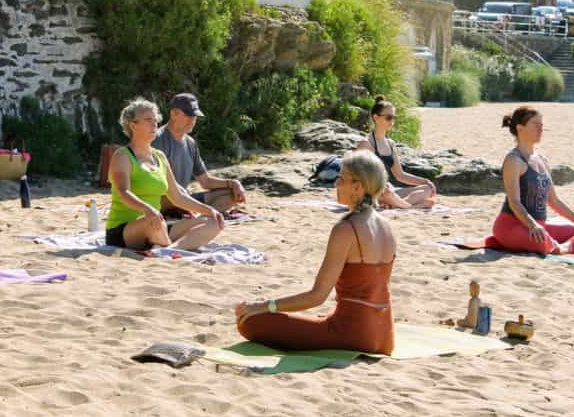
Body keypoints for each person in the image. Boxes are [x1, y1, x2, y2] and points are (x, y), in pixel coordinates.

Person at [235, 150, 396, 355]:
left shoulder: (346, 229)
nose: (336, 184)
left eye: (341, 178)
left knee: (250, 321)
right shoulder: (387, 227)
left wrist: (265, 306)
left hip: (354, 334)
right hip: (385, 336)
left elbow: (317, 297)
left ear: (357, 186)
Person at [107, 98, 225, 250]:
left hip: (157, 223)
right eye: (148, 120)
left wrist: (209, 210)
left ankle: (169, 251)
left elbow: (178, 197)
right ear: (133, 125)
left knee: (213, 221)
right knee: (153, 222)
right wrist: (147, 209)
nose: (154, 124)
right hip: (124, 231)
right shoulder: (122, 156)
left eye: (155, 120)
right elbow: (124, 192)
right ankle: (169, 248)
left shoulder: (160, 157)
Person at [489, 106, 574, 255]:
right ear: (520, 128)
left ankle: (561, 249)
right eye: (536, 125)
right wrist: (533, 225)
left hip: (539, 227)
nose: (541, 129)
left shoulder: (542, 160)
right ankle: (555, 247)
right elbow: (514, 202)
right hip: (511, 226)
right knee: (544, 243)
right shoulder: (514, 160)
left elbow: (554, 201)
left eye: (542, 125)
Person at [152, 93, 246, 215]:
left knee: (230, 194)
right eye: (188, 115)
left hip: (185, 199)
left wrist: (233, 183)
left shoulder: (191, 143)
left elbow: (205, 181)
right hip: (164, 201)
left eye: (195, 116)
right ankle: (199, 215)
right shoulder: (157, 139)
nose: (192, 120)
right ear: (173, 114)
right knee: (177, 196)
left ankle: (201, 216)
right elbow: (155, 183)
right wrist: (182, 196)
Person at [356, 96, 436, 209]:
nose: (392, 121)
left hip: (388, 191)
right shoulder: (366, 144)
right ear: (376, 117)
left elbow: (400, 175)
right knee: (387, 192)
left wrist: (425, 181)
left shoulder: (390, 143)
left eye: (393, 117)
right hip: (370, 193)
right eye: (388, 117)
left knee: (427, 189)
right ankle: (411, 207)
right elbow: (359, 177)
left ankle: (394, 205)